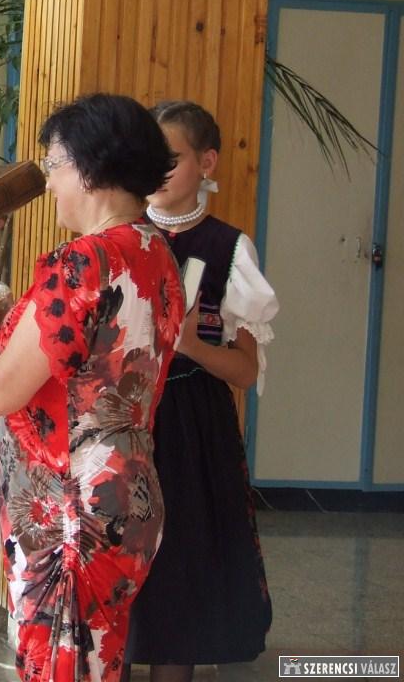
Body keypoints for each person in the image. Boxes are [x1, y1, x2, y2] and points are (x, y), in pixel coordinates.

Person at [0, 93, 185, 682]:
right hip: (124, 493)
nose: (49, 184)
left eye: (55, 165)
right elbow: (73, 353)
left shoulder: (82, 263)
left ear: (91, 169)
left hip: (71, 509)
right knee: (93, 663)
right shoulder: (154, 252)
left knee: (60, 667)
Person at [122, 101, 278, 682]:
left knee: (180, 567)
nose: (159, 169)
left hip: (192, 427)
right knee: (116, 560)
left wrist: (190, 345)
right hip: (124, 416)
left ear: (207, 162)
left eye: (174, 157)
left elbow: (245, 371)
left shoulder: (228, 249)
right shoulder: (120, 237)